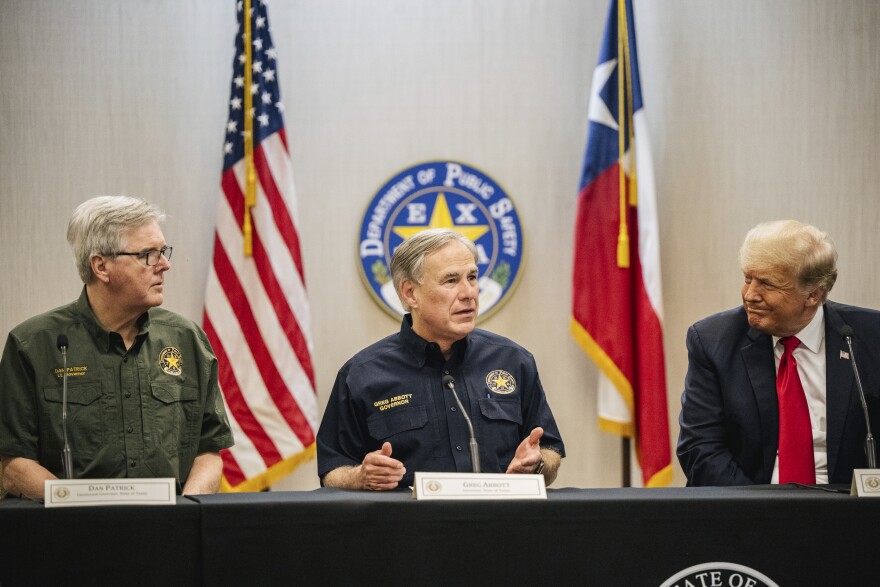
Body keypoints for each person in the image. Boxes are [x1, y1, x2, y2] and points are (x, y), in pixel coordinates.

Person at [0, 195, 233, 499]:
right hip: (71, 535)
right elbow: (13, 466)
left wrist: (184, 513)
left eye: (163, 251)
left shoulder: (187, 340)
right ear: (101, 266)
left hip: (168, 533)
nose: (164, 265)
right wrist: (83, 507)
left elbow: (209, 451)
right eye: (148, 254)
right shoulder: (33, 345)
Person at [317, 228, 564, 490]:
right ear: (410, 293)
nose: (468, 292)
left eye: (472, 277)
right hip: (407, 528)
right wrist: (360, 477)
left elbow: (549, 450)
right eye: (450, 281)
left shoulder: (514, 361)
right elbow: (331, 470)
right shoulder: (361, 375)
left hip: (499, 525)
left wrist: (537, 465)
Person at [677, 219, 880, 486]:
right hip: (746, 510)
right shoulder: (712, 341)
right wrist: (763, 516)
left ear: (813, 295)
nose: (750, 295)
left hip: (848, 512)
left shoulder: (868, 337)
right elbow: (700, 449)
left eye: (767, 284)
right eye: (747, 279)